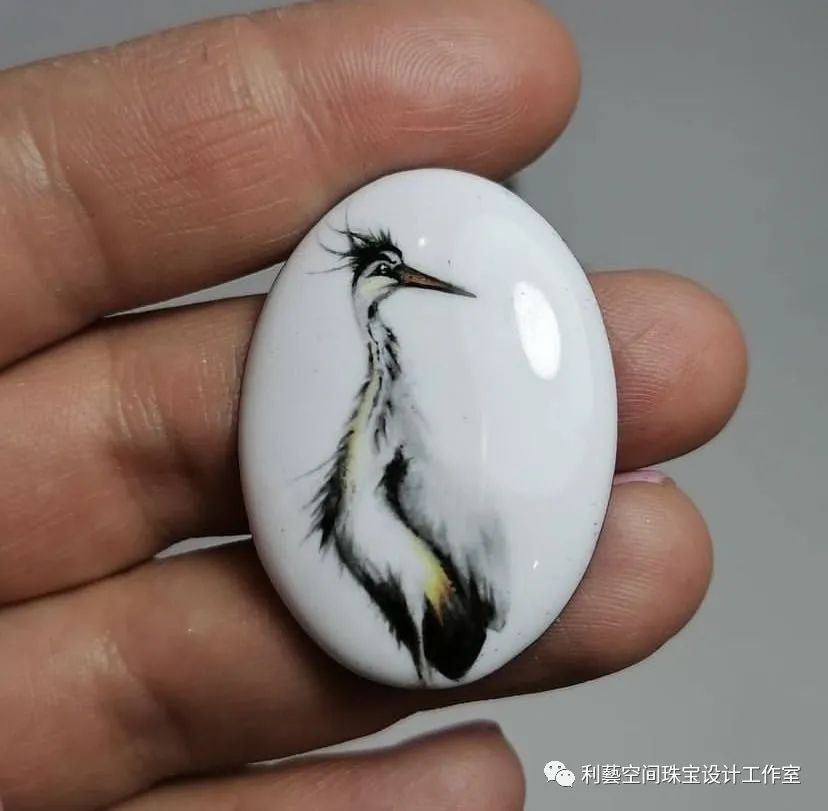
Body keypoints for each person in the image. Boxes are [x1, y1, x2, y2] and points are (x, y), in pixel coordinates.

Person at [0, 1, 747, 808]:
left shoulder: (398, 419)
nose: (413, 282)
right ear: (371, 288)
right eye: (395, 274)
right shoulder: (368, 381)